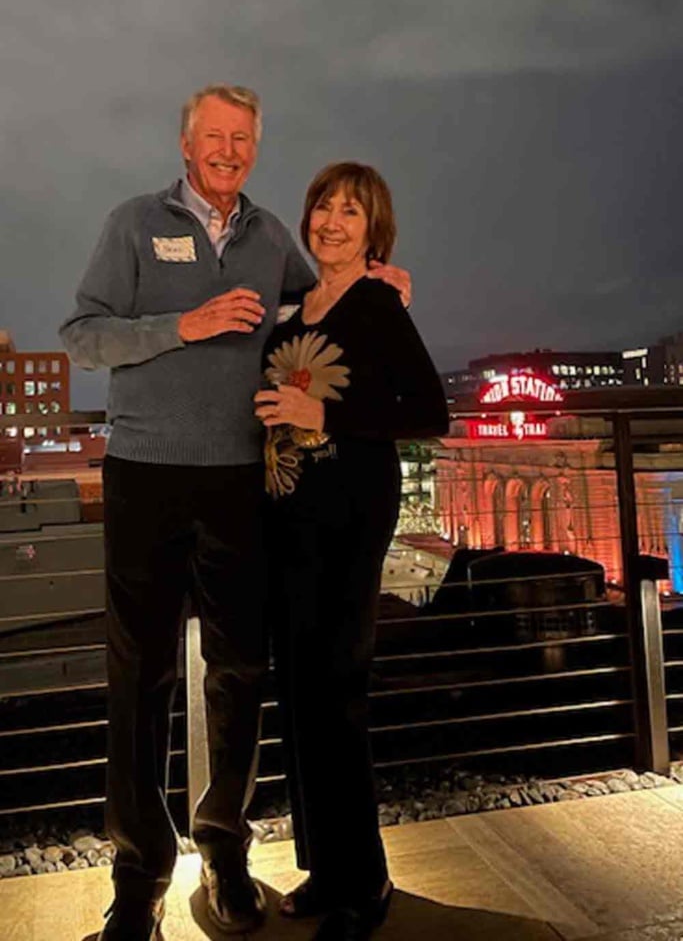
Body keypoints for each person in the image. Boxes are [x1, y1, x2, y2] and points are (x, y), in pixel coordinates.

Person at [59, 86, 410, 941]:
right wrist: (186, 323)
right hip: (144, 476)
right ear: (185, 143)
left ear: (255, 148)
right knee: (138, 680)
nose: (228, 150)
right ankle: (138, 879)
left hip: (240, 488)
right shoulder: (134, 224)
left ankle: (224, 854)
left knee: (239, 676)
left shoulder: (267, 236)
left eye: (242, 138)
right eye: (213, 135)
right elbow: (81, 334)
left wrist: (372, 283)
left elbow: (310, 304)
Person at [255, 162, 449, 941]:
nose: (331, 223)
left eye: (350, 213)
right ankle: (324, 867)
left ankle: (364, 881)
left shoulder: (375, 302)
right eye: (323, 209)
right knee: (301, 696)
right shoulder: (292, 312)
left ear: (374, 231)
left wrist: (321, 411)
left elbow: (427, 410)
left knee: (338, 693)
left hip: (348, 518)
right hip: (286, 521)